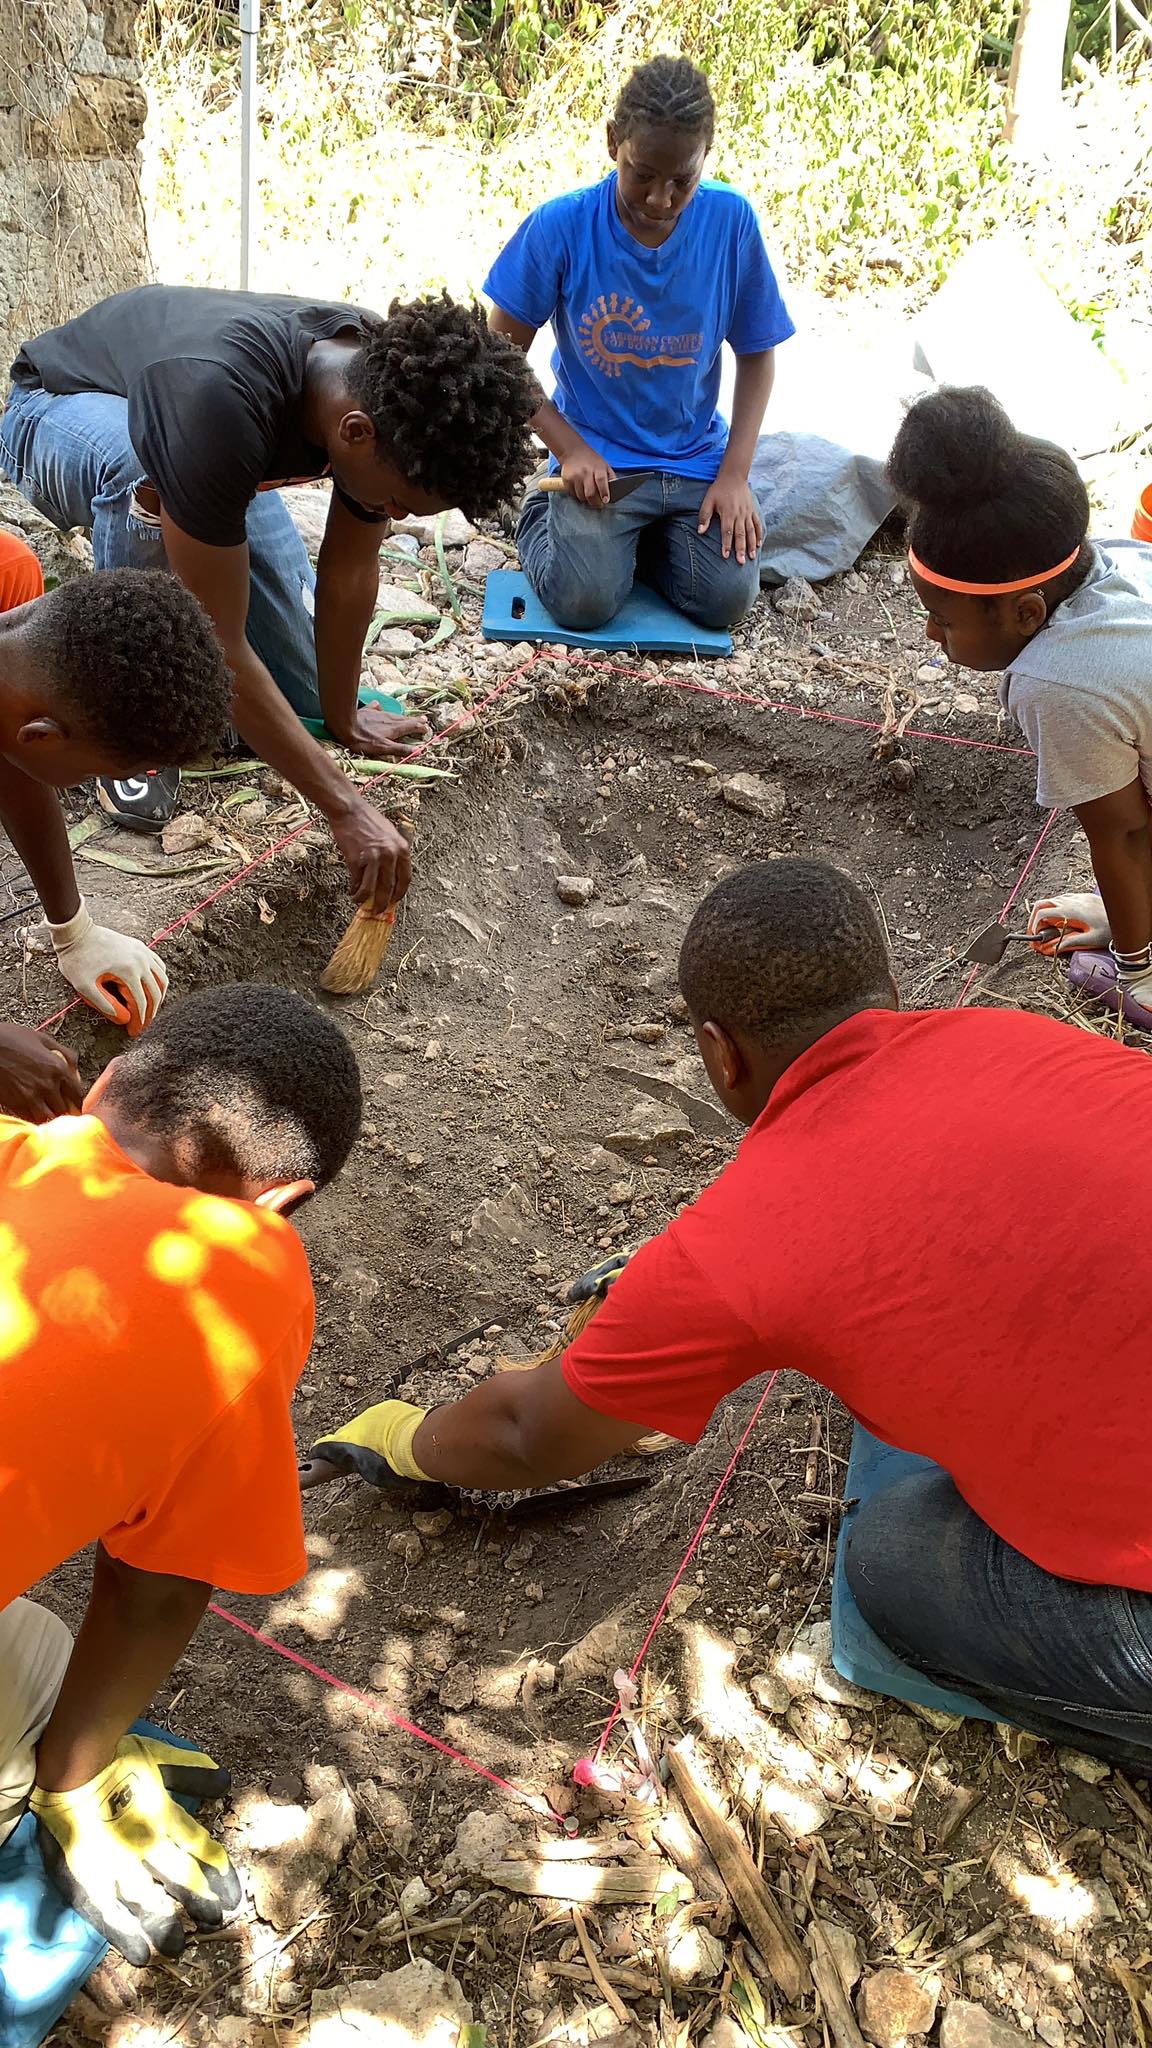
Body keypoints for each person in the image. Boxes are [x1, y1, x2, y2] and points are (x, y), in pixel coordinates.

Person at [317, 859, 1152, 1766]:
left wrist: (408, 1439)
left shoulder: (743, 1248)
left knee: (893, 1562)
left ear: (720, 1052)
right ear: (889, 989)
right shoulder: (1018, 1037)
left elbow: (525, 1432)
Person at [0, 981, 362, 1963]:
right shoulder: (240, 1276)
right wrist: (71, 1778)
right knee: (27, 1685)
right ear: (277, 1206)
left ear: (105, 1080)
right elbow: (157, 1583)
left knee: (26, 1634)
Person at [1, 288, 540, 907]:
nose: (390, 516)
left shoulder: (382, 389)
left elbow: (351, 569)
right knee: (143, 474)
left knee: (299, 693)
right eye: (394, 504)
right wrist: (344, 806)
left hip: (202, 446)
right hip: (53, 412)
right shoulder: (217, 406)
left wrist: (340, 717)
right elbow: (217, 640)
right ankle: (130, 736)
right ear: (354, 433)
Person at [484, 56, 794, 635]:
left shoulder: (731, 223)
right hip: (602, 465)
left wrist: (734, 476)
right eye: (642, 174)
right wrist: (570, 449)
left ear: (706, 156)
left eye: (683, 180)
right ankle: (542, 518)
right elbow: (497, 358)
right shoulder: (562, 226)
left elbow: (758, 353)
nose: (660, 199)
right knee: (584, 604)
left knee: (725, 600)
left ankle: (636, 545)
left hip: (695, 460)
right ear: (612, 144)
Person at [887, 383, 1152, 1028]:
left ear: (1025, 612)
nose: (931, 635)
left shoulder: (1061, 681)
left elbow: (1126, 831)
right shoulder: (1119, 564)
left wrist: (1136, 960)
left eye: (942, 621)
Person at [1, 567, 232, 1031]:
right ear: (43, 737)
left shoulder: (12, 590)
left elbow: (12, 757)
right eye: (92, 773)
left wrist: (74, 932)